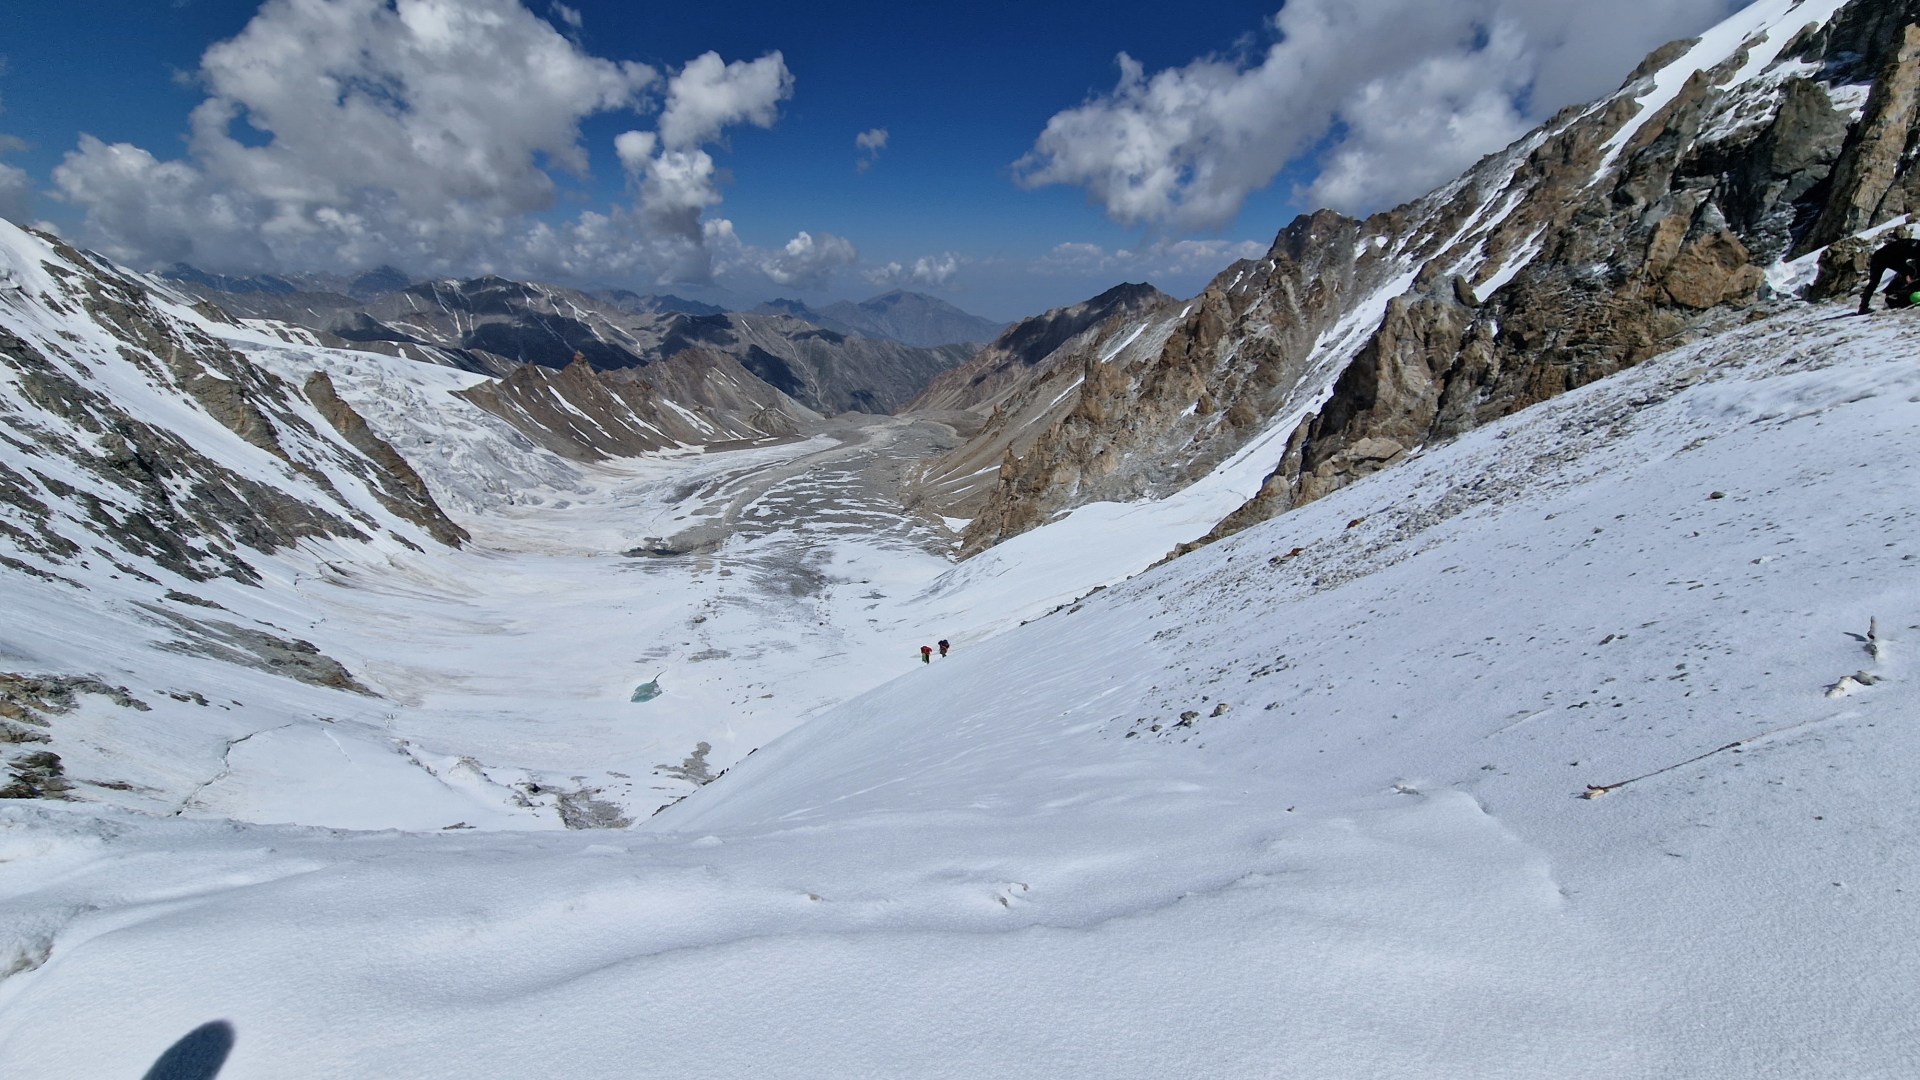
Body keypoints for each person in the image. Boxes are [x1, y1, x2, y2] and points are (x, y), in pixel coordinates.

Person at [1857, 237, 1920, 313]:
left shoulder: (1916, 247)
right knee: (1874, 282)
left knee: (1910, 271)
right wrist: (1906, 273)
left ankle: (1903, 296)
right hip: (1880, 258)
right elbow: (1898, 257)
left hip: (1892, 258)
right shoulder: (1912, 246)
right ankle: (1863, 307)